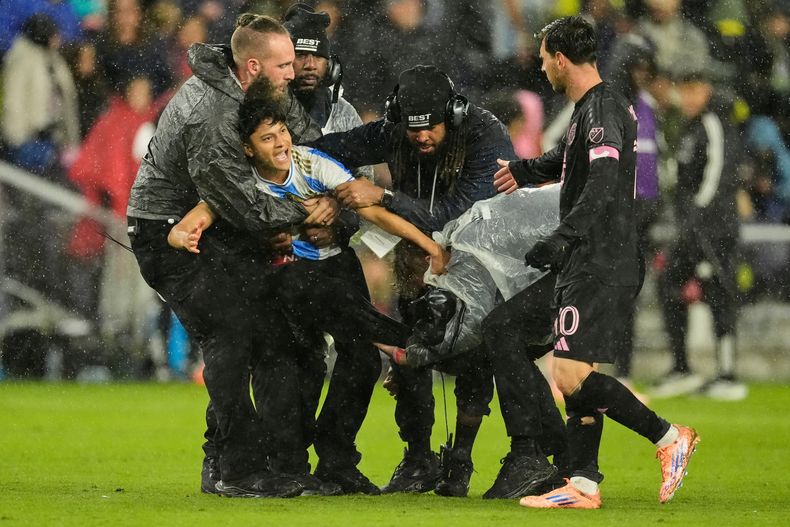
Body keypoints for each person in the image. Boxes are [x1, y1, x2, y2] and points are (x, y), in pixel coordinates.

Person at [493, 16, 700, 509]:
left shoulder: (603, 108)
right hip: (588, 257)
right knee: (573, 377)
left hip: (601, 259)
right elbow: (567, 163)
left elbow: (604, 184)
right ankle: (582, 484)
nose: (541, 68)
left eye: (544, 58)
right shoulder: (591, 108)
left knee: (569, 377)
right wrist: (521, 171)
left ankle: (669, 437)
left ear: (560, 59)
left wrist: (564, 237)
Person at [127, 13, 327, 498]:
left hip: (209, 231)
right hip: (166, 233)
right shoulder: (214, 112)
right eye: (283, 64)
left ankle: (233, 463)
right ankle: (236, 469)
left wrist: (317, 196)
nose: (293, 71)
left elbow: (309, 146)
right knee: (232, 330)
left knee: (266, 332)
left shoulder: (252, 92)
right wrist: (314, 209)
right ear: (253, 65)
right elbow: (242, 201)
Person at [311, 64, 516, 495]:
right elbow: (329, 148)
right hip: (413, 263)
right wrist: (300, 169)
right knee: (409, 351)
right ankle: (418, 457)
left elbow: (462, 212)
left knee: (474, 359)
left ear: (455, 113)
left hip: (479, 262)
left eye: (432, 128)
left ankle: (461, 459)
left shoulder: (486, 134)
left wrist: (383, 196)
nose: (421, 137)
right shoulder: (391, 132)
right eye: (411, 129)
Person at [654, 70, 746, 401]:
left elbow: (718, 176)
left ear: (707, 90)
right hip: (692, 230)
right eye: (684, 90)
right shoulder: (689, 127)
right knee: (668, 284)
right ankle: (682, 368)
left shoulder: (715, 122)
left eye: (694, 90)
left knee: (720, 292)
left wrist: (699, 216)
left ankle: (727, 375)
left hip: (714, 230)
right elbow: (681, 179)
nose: (688, 97)